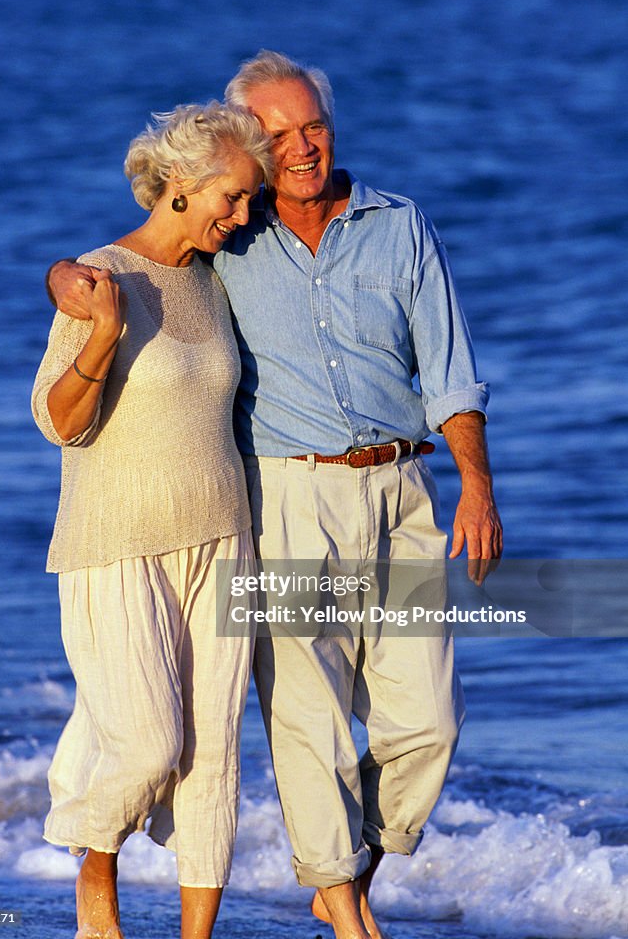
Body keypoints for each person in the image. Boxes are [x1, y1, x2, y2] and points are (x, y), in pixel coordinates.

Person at [48, 52, 503, 939]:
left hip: (399, 494)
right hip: (284, 503)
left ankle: (346, 869)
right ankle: (343, 907)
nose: (301, 149)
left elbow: (452, 373)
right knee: (306, 723)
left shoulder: (399, 226)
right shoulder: (232, 238)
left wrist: (476, 487)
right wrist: (62, 279)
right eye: (279, 136)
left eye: (314, 127)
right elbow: (133, 259)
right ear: (246, 154)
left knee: (429, 724)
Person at [32, 101, 273, 939]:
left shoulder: (215, 279)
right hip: (115, 541)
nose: (243, 217)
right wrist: (100, 330)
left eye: (249, 201)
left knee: (212, 759)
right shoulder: (100, 275)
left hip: (222, 536)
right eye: (233, 199)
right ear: (182, 185)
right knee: (146, 747)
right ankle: (94, 870)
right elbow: (58, 421)